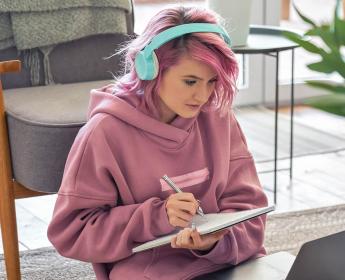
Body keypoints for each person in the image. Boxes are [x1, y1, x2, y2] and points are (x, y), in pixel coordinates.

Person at [47, 6, 268, 280]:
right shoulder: (104, 132)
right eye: (190, 81)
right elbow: (72, 233)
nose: (202, 95)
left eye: (211, 82)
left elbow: (252, 212)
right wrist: (156, 217)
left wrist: (214, 242)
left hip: (228, 260)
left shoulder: (218, 117)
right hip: (150, 271)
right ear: (150, 67)